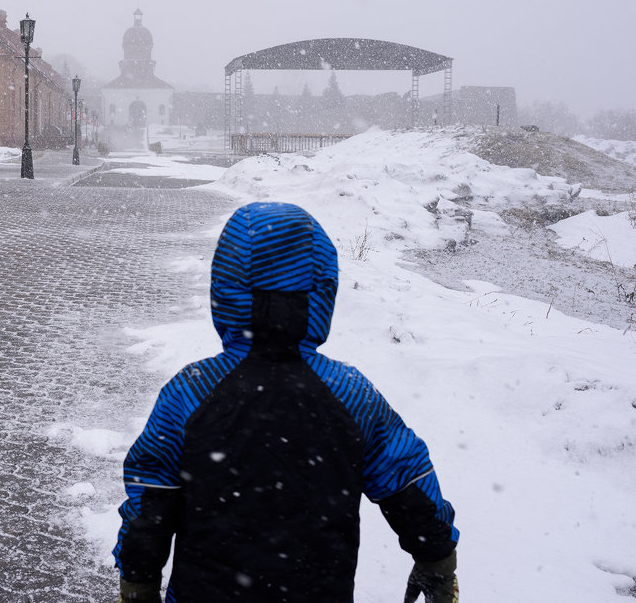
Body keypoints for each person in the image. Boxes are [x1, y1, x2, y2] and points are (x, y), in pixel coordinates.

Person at [113, 202, 458, 603]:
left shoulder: (190, 394)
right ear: (323, 291)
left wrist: (137, 582)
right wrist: (436, 559)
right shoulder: (351, 394)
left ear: (224, 289)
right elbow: (408, 480)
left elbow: (151, 498)